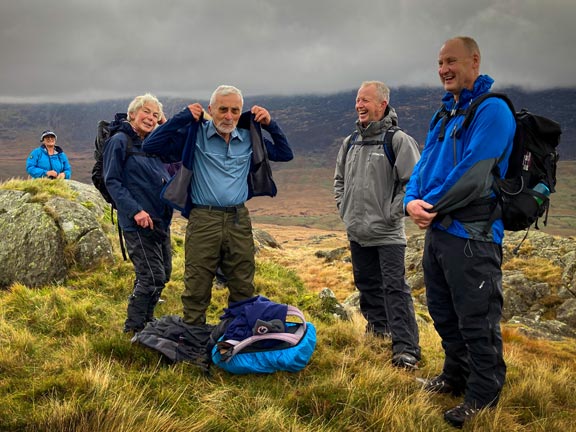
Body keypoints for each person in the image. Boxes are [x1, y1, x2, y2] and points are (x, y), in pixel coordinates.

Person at [404, 36, 515, 428]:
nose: (444, 69)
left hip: (473, 237)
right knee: (443, 312)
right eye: (439, 63)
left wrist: (428, 207)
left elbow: (472, 173)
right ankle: (455, 377)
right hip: (439, 233)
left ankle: (484, 393)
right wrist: (410, 200)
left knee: (476, 319)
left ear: (474, 61)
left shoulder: (493, 111)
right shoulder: (444, 115)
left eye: (451, 61)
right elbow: (423, 165)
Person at [142, 85, 293, 326]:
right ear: (211, 109)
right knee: (197, 286)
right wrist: (182, 117)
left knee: (243, 284)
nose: (229, 116)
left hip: (238, 220)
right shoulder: (195, 134)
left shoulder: (248, 138)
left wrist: (270, 124)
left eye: (235, 110)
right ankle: (193, 339)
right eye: (223, 110)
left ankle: (238, 338)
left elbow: (285, 153)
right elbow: (150, 146)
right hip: (203, 220)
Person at [334, 81, 422, 369]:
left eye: (366, 100)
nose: (359, 105)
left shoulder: (397, 141)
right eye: (358, 100)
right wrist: (344, 209)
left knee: (395, 288)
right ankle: (378, 332)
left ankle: (406, 348)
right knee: (367, 286)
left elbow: (414, 183)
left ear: (382, 104)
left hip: (388, 234)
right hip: (357, 232)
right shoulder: (350, 143)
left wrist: (391, 213)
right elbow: (339, 182)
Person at [103, 93, 177, 333]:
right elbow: (112, 181)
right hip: (137, 222)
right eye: (146, 111)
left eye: (156, 114)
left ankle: (146, 322)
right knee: (151, 276)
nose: (151, 117)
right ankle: (134, 329)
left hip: (159, 221)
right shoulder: (120, 141)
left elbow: (179, 149)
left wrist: (164, 124)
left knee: (162, 274)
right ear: (132, 114)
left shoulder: (153, 143)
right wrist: (135, 211)